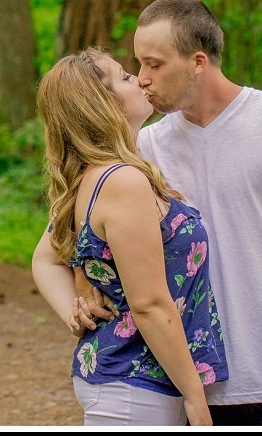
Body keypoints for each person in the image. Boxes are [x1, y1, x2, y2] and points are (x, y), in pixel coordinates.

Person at [40, 0, 262, 426]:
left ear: (197, 61)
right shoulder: (142, 149)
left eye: (154, 65)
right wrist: (82, 285)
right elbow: (72, 239)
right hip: (195, 386)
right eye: (137, 65)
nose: (143, 79)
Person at [32, 48, 228, 425]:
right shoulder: (122, 181)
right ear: (100, 104)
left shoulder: (96, 175)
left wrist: (74, 311)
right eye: (124, 77)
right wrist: (194, 398)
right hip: (136, 386)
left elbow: (44, 260)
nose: (139, 80)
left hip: (127, 381)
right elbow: (149, 303)